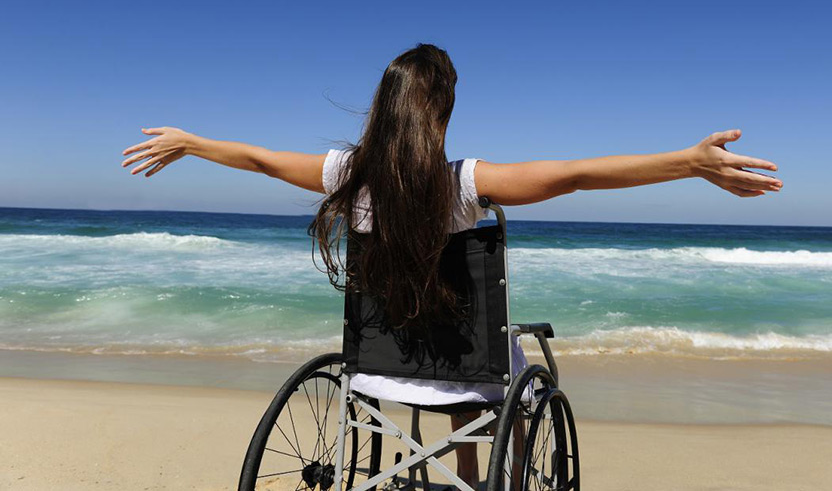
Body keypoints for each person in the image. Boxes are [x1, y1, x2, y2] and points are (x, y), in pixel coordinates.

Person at [121, 43, 781, 488]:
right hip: (466, 374)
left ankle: (467, 464)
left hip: (380, 373)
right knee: (506, 370)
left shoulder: (347, 175)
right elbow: (576, 175)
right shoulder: (463, 184)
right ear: (438, 116)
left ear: (385, 109)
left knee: (465, 361)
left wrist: (192, 142)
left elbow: (262, 159)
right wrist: (687, 163)